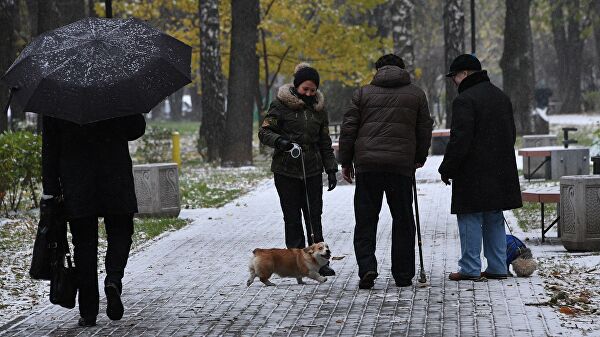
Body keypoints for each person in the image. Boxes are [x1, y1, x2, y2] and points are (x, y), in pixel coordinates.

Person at [338, 54, 433, 289]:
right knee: (403, 219)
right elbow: (424, 129)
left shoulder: (362, 93)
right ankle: (403, 275)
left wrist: (346, 161)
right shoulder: (416, 94)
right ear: (402, 69)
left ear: (378, 70)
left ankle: (367, 268)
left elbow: (349, 128)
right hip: (401, 166)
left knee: (366, 219)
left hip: (368, 165)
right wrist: (419, 157)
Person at [41, 114, 146, 326]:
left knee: (84, 245)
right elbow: (135, 129)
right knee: (121, 232)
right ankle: (113, 279)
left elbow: (50, 147)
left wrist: (51, 189)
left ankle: (88, 312)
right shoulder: (116, 88)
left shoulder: (59, 94)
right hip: (115, 176)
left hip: (77, 182)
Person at [438, 54, 522, 281]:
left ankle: (470, 268)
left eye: (454, 76)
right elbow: (511, 134)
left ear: (464, 74)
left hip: (472, 171)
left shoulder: (465, 100)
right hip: (499, 169)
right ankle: (497, 267)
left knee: (470, 217)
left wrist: (447, 168)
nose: (454, 81)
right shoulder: (500, 97)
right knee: (494, 216)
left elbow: (460, 139)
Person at [258, 63, 338, 277]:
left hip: (312, 169)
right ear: (297, 86)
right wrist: (281, 142)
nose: (309, 94)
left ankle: (319, 261)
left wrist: (331, 168)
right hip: (286, 170)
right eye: (305, 89)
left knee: (314, 215)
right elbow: (264, 133)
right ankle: (296, 263)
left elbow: (324, 141)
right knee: (292, 216)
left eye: (313, 90)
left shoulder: (319, 110)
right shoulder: (279, 105)